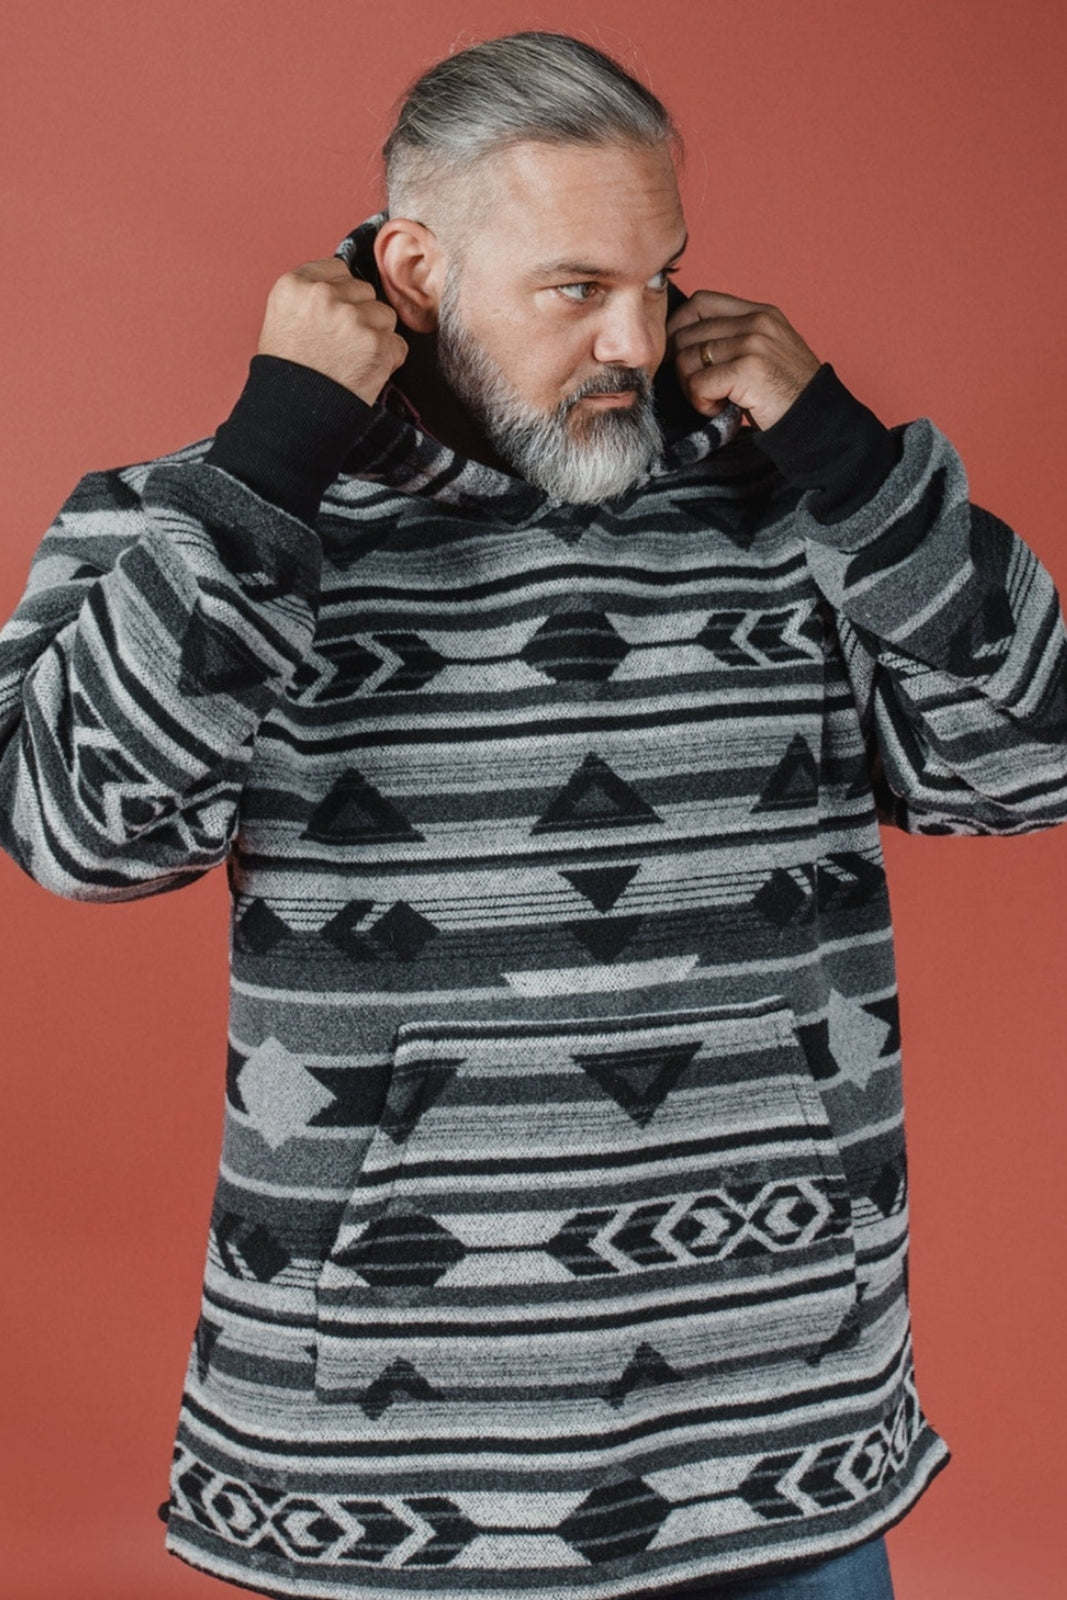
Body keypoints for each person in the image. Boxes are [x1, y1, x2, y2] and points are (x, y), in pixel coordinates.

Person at [1, 29, 1065, 1600]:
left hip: (785, 1415)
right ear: (416, 271)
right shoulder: (216, 518)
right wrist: (269, 459)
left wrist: (854, 463)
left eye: (661, 277)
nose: (636, 336)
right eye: (576, 287)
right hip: (389, 1459)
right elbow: (83, 833)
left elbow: (1031, 764)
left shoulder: (798, 507)